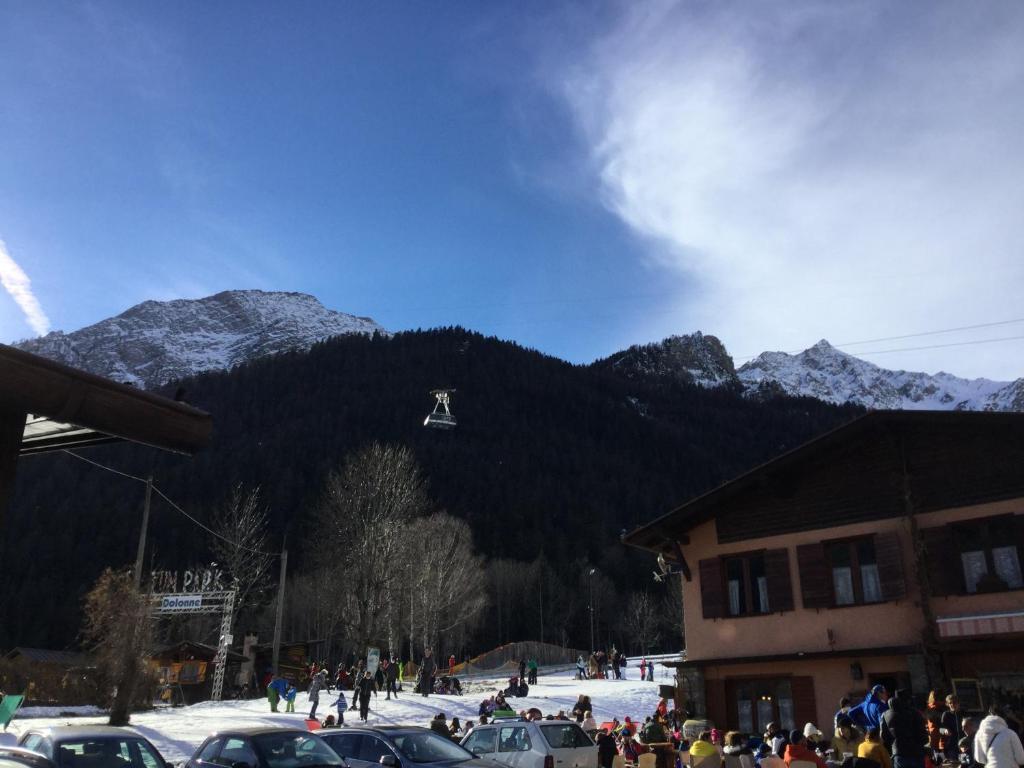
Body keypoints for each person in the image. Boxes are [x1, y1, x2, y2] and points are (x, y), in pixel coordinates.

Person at [880, 689, 928, 768]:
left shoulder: (885, 714)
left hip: (898, 752)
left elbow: (884, 736)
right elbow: (922, 734)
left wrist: (892, 747)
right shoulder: (914, 712)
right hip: (916, 751)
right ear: (908, 700)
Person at [941, 696, 965, 763]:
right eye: (950, 703)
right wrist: (944, 730)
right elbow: (940, 728)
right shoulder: (946, 714)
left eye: (954, 702)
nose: (952, 704)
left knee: (965, 763)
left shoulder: (963, 713)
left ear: (958, 703)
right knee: (954, 764)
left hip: (964, 744)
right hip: (952, 745)